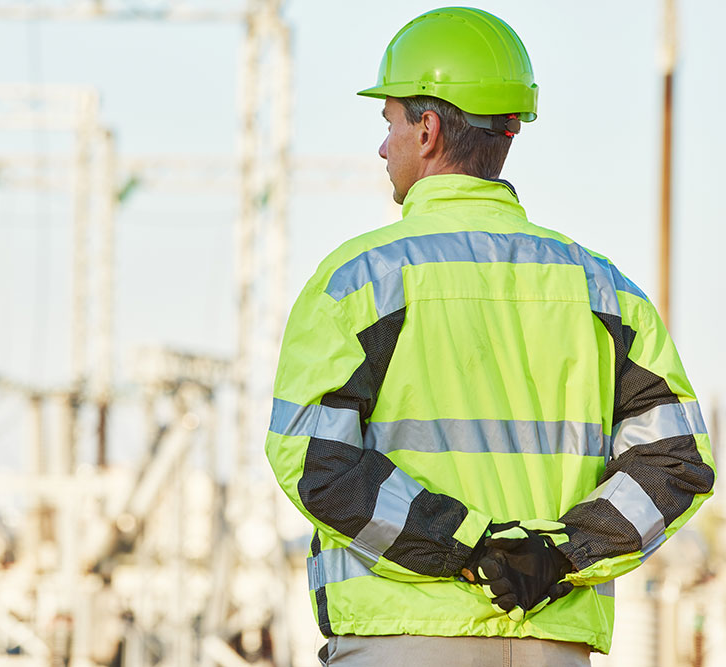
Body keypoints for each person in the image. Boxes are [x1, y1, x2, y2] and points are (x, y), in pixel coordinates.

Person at [264, 6, 715, 666]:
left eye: (388, 122)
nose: (382, 146)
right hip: (552, 643)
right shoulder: (602, 289)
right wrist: (561, 552)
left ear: (428, 128)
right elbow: (675, 457)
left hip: (401, 635)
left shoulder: (358, 280)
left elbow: (313, 460)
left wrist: (469, 547)